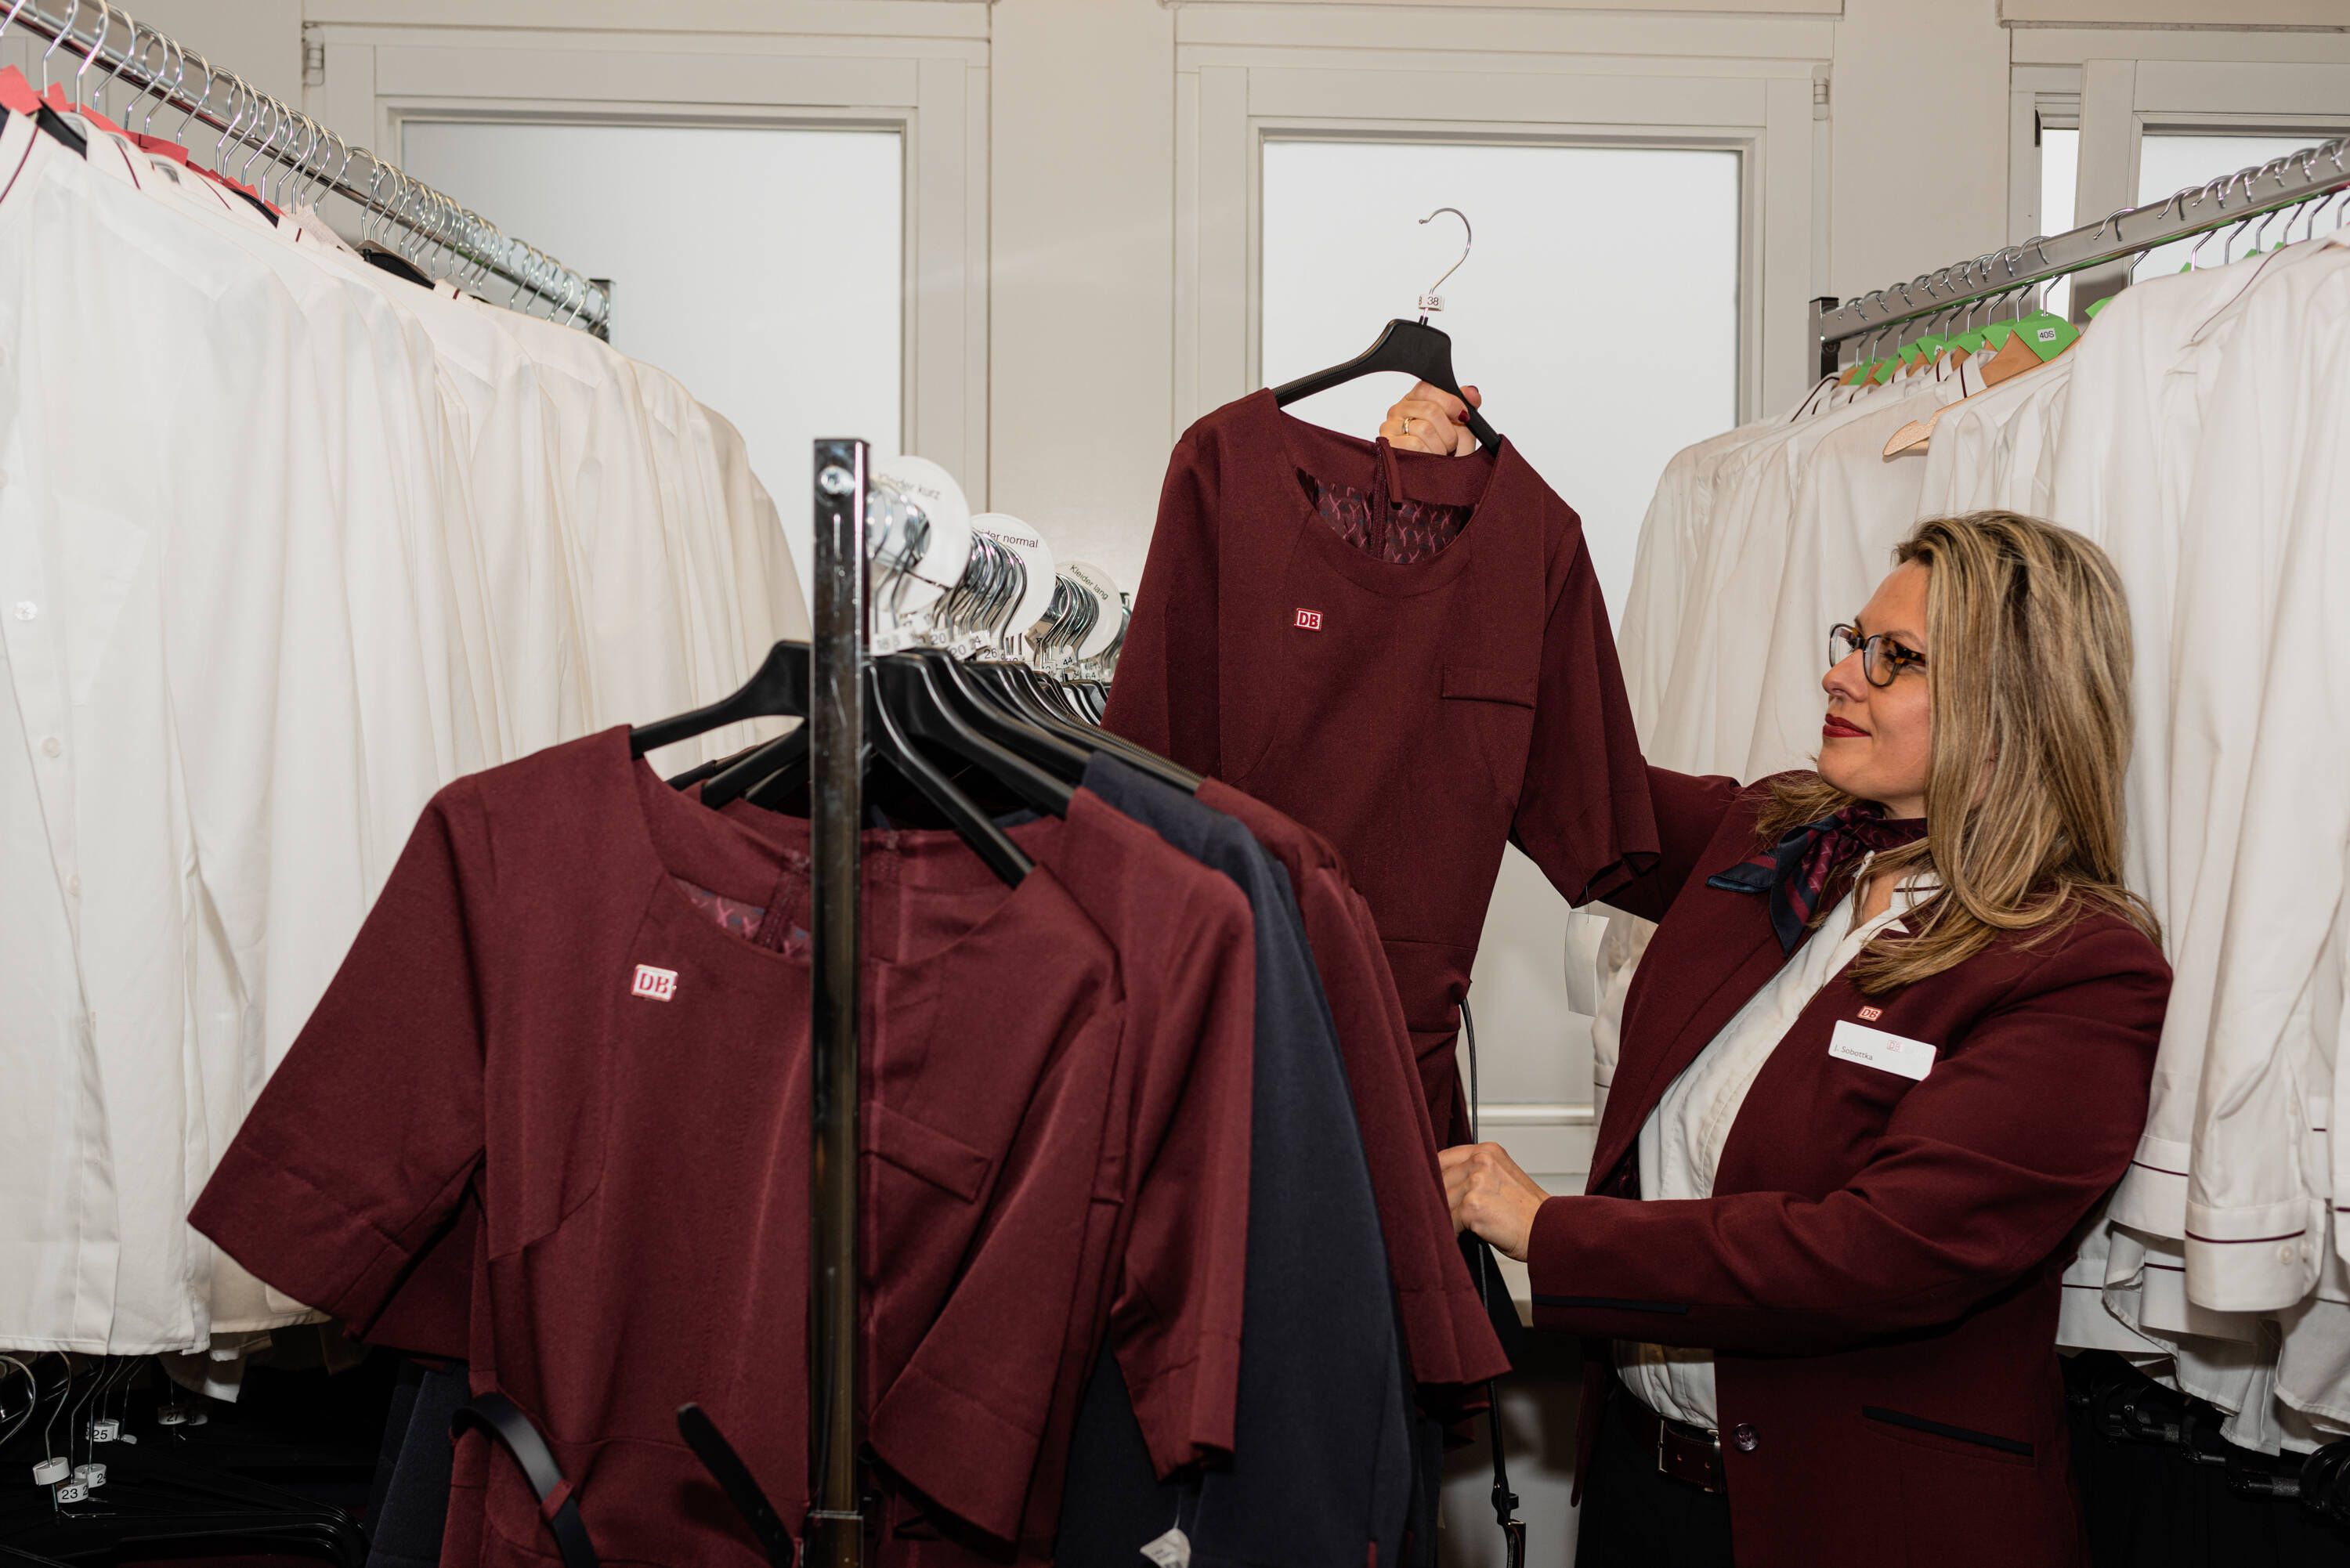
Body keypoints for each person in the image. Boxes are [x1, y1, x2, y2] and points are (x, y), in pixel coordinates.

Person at [1382, 384, 2171, 1568]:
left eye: (1895, 659)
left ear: (2016, 707)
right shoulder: (1780, 840)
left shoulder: (2077, 969)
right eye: (1853, 641)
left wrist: (1546, 1226)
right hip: (1653, 1498)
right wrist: (1452, 513)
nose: (1841, 674)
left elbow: (1872, 1252)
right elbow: (1550, 767)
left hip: (1869, 1525)